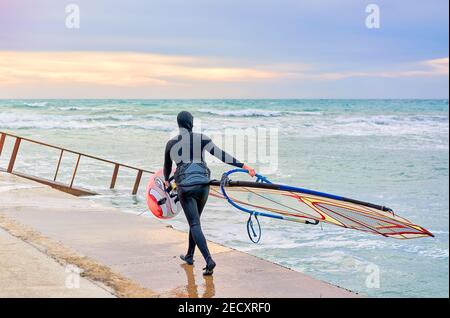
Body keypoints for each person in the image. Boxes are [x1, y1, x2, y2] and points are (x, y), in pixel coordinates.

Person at [163, 111, 256, 275]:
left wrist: (165, 180)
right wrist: (244, 167)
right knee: (195, 221)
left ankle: (209, 260)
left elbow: (167, 168)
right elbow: (221, 155)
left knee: (194, 223)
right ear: (191, 123)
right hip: (203, 184)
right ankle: (190, 255)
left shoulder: (171, 143)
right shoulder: (202, 138)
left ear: (178, 124)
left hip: (185, 186)